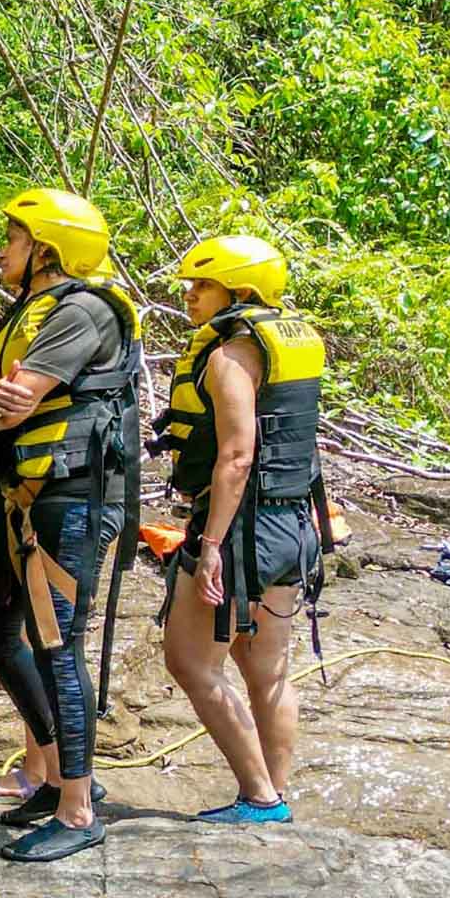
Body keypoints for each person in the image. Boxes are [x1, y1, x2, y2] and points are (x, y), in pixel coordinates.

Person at [0, 189, 142, 865]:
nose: (3, 248)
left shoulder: (82, 312)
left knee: (57, 645)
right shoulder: (38, 311)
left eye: (13, 237)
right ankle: (53, 773)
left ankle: (78, 811)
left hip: (72, 500)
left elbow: (16, 402)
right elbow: (2, 396)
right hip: (29, 498)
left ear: (45, 249)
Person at [153, 234, 332, 823]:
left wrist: (208, 548)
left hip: (242, 533)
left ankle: (260, 795)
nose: (190, 296)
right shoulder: (290, 343)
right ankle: (271, 801)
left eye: (202, 286)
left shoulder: (231, 357)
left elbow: (236, 457)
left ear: (241, 292)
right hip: (291, 526)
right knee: (265, 669)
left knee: (189, 662)